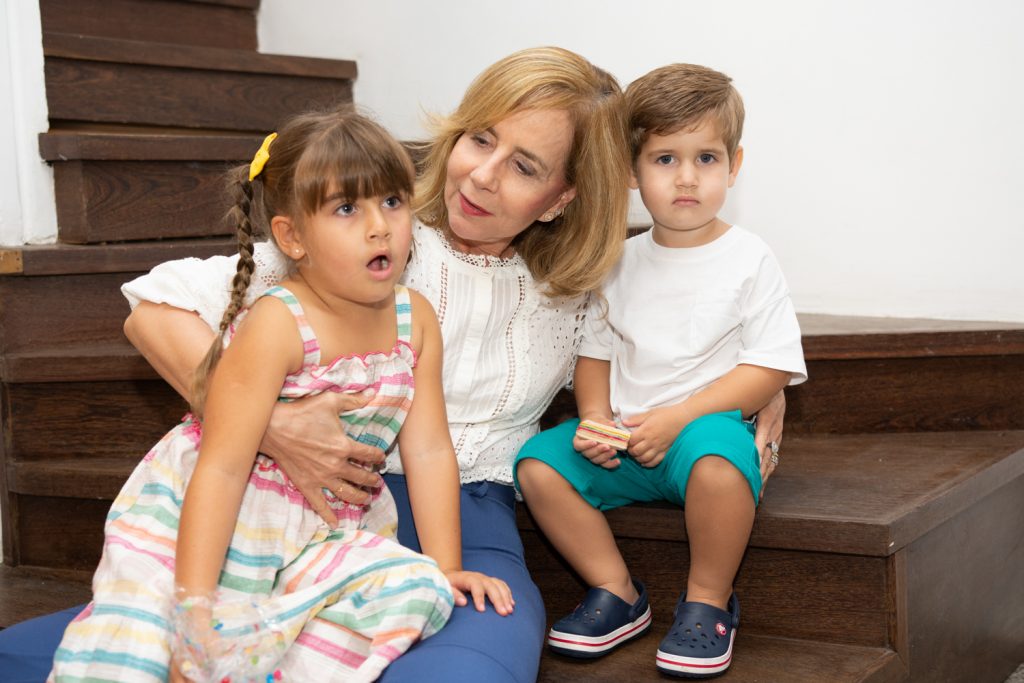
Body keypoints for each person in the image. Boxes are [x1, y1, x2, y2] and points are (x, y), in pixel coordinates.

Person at [0, 48, 785, 683]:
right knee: (103, 650)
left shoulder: (580, 285)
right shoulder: (378, 240)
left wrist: (767, 395)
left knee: (470, 672)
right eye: (481, 139)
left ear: (560, 197)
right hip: (306, 508)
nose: (481, 173)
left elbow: (702, 326)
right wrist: (269, 424)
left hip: (467, 517)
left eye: (522, 165)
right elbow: (156, 308)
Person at [49, 109, 515, 683]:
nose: (379, 226)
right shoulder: (279, 322)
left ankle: (265, 662)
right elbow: (221, 467)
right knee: (148, 647)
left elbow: (428, 452)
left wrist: (447, 566)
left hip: (329, 525)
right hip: (226, 512)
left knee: (420, 589)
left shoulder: (414, 319)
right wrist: (196, 603)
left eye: (392, 202)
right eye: (347, 208)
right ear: (291, 236)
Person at [514, 63, 807, 679]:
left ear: (734, 164)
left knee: (722, 469)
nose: (687, 178)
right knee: (538, 466)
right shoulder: (618, 259)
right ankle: (615, 590)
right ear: (629, 170)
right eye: (665, 159)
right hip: (624, 439)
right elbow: (595, 352)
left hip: (703, 431)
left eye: (706, 158)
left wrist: (678, 418)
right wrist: (594, 418)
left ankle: (707, 599)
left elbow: (770, 366)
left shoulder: (748, 258)